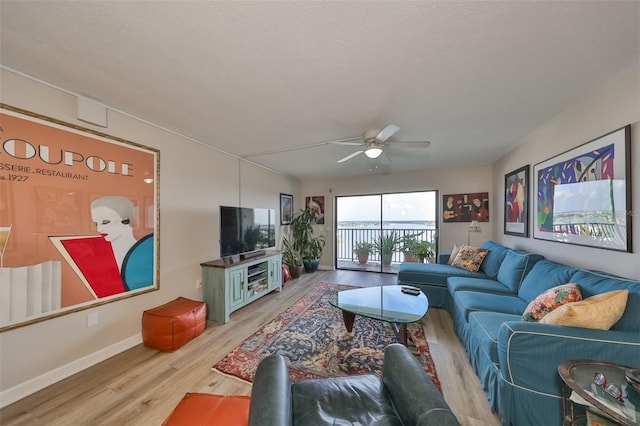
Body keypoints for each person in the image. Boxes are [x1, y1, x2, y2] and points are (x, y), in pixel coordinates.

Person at [91, 196, 154, 291]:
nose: (99, 229)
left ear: (125, 220)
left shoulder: (142, 253)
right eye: (96, 223)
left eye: (105, 222)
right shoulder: (99, 255)